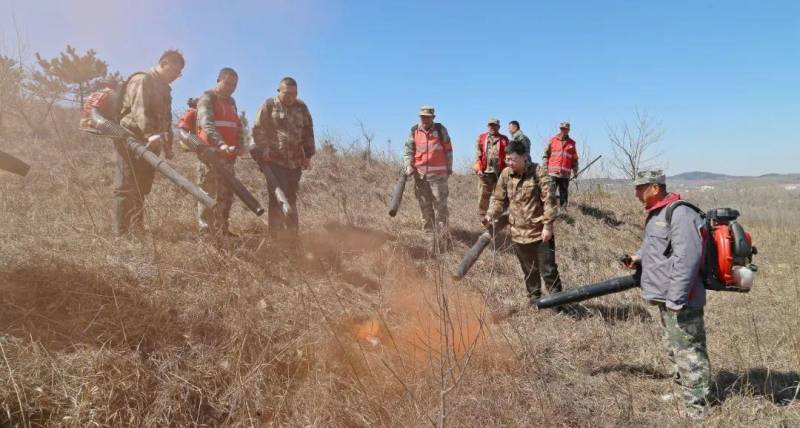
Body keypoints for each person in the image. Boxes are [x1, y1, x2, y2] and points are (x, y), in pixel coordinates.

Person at [623, 170, 710, 420]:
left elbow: (688, 259)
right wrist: (638, 257)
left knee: (690, 352)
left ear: (655, 187)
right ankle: (683, 392)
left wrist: (677, 299)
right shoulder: (658, 213)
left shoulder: (681, 213)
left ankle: (698, 410)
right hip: (666, 297)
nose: (636, 193)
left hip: (680, 299)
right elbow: (657, 247)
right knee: (674, 347)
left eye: (640, 188)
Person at [113, 50, 184, 236]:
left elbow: (166, 120)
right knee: (126, 185)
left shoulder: (165, 89)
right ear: (163, 63)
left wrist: (168, 146)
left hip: (151, 143)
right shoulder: (142, 79)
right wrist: (150, 134)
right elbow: (140, 110)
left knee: (141, 187)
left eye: (179, 74)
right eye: (174, 71)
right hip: (130, 138)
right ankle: (121, 233)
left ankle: (136, 230)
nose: (175, 77)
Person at [484, 139, 561, 304]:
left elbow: (550, 201)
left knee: (548, 271)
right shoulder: (505, 174)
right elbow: (498, 199)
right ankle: (535, 302)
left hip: (540, 234)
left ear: (524, 157)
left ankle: (558, 304)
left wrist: (548, 226)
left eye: (513, 159)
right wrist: (490, 214)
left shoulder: (539, 173)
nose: (510, 163)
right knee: (529, 271)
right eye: (508, 159)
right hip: (518, 234)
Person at [252, 77, 315, 240]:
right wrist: (264, 149)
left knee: (291, 197)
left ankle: (292, 236)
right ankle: (276, 237)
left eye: (294, 94)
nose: (290, 97)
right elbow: (258, 130)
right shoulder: (269, 105)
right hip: (274, 161)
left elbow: (308, 132)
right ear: (278, 91)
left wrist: (308, 155)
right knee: (277, 199)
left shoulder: (302, 107)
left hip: (295, 163)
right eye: (287, 94)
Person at [194, 67, 244, 237]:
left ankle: (222, 229)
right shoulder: (207, 98)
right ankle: (206, 232)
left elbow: (237, 126)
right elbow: (207, 125)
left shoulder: (232, 103)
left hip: (228, 158)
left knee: (226, 194)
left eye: (234, 84)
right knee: (207, 194)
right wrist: (221, 144)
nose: (231, 87)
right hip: (211, 155)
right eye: (228, 83)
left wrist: (240, 144)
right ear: (219, 80)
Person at [403, 106, 453, 234]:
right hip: (420, 176)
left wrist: (448, 170)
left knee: (440, 207)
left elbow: (448, 150)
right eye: (422, 116)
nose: (424, 119)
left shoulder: (440, 130)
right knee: (425, 206)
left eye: (427, 117)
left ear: (433, 118)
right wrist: (408, 165)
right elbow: (408, 151)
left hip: (438, 176)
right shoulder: (414, 131)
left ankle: (442, 234)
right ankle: (428, 234)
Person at [473, 118, 509, 219]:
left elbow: (508, 155)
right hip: (485, 172)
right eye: (490, 125)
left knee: (499, 196)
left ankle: (496, 217)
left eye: (494, 126)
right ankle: (482, 217)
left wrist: (508, 171)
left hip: (500, 172)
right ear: (488, 126)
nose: (492, 127)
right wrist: (479, 169)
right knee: (483, 196)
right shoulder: (482, 137)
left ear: (499, 127)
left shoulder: (504, 139)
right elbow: (478, 155)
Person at [543, 121, 578, 207]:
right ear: (560, 129)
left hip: (565, 174)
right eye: (562, 129)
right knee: (550, 194)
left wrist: (575, 171)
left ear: (568, 130)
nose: (564, 131)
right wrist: (544, 168)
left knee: (564, 194)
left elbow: (575, 159)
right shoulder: (552, 140)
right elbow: (545, 155)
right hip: (552, 173)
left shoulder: (572, 143)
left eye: (566, 129)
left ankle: (563, 212)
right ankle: (549, 211)